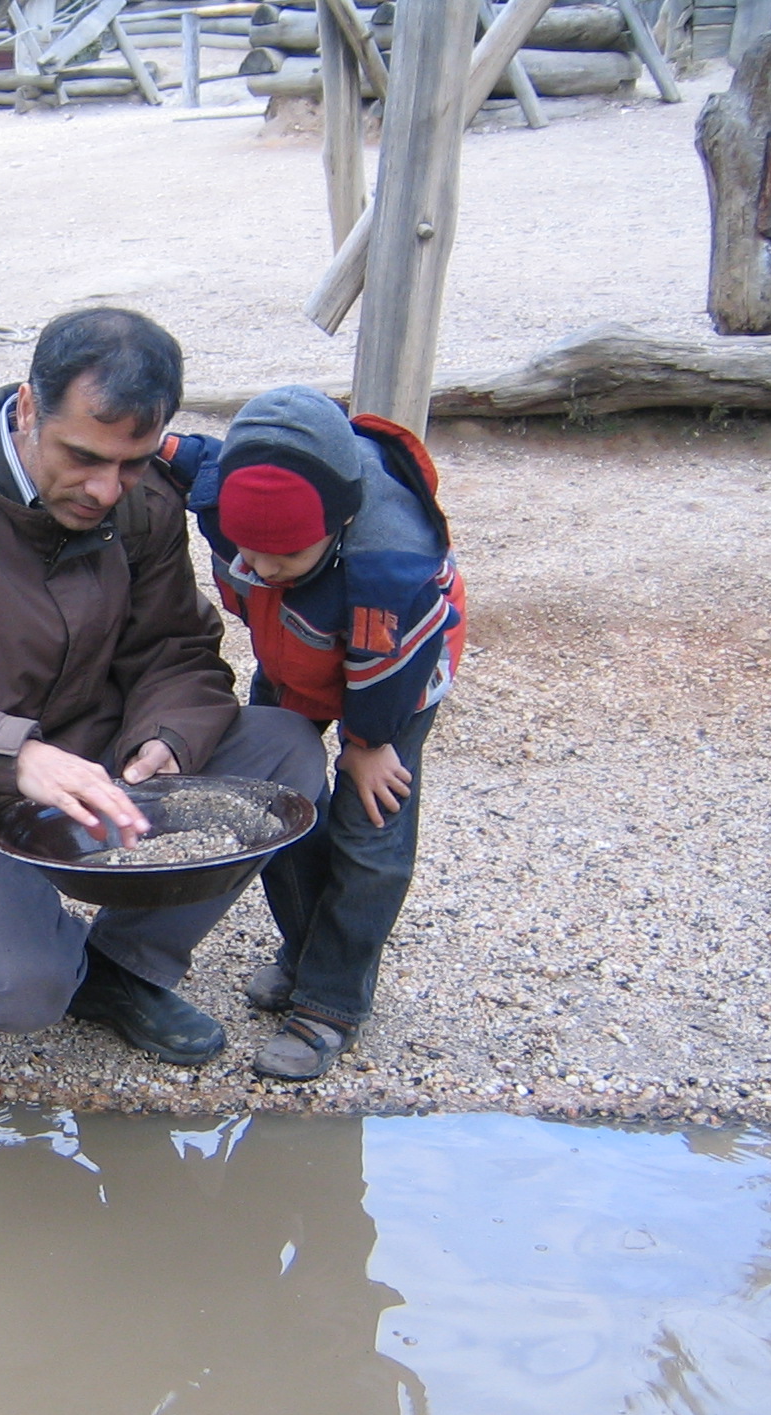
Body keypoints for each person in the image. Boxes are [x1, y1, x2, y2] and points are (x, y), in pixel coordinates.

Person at [0, 308, 329, 1067]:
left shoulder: (143, 504)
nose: (108, 490)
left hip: (89, 757)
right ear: (26, 408)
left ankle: (120, 970)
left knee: (283, 751)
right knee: (24, 993)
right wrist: (14, 755)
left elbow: (177, 648)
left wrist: (166, 738)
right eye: (82, 456)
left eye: (133, 462)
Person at [180, 386, 466, 1080]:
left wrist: (368, 744)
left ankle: (332, 1003)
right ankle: (308, 953)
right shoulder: (224, 489)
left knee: (370, 832)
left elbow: (391, 669)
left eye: (287, 557)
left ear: (339, 524)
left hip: (391, 680)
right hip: (295, 655)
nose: (264, 569)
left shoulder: (390, 563)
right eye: (250, 553)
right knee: (279, 807)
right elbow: (176, 454)